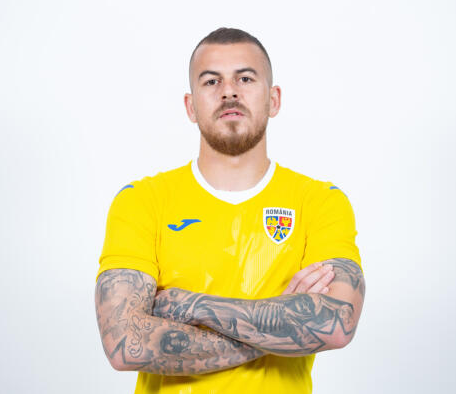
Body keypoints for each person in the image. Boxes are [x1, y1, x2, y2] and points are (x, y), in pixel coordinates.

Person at [95, 27, 365, 394]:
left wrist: (191, 306)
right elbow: (125, 343)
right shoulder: (142, 200)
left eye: (245, 78)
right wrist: (280, 320)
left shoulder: (320, 201)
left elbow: (337, 324)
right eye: (211, 81)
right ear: (191, 107)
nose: (229, 92)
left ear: (274, 100)